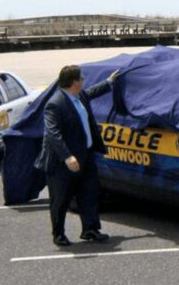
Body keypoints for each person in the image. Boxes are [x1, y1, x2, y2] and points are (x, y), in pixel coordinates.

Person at [35, 65, 119, 246]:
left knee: (89, 193)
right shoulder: (55, 104)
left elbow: (91, 92)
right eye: (81, 78)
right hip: (63, 162)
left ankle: (90, 229)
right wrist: (67, 156)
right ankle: (59, 234)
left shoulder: (79, 96)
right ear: (74, 82)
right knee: (60, 199)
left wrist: (109, 82)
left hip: (85, 156)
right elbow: (53, 133)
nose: (83, 80)